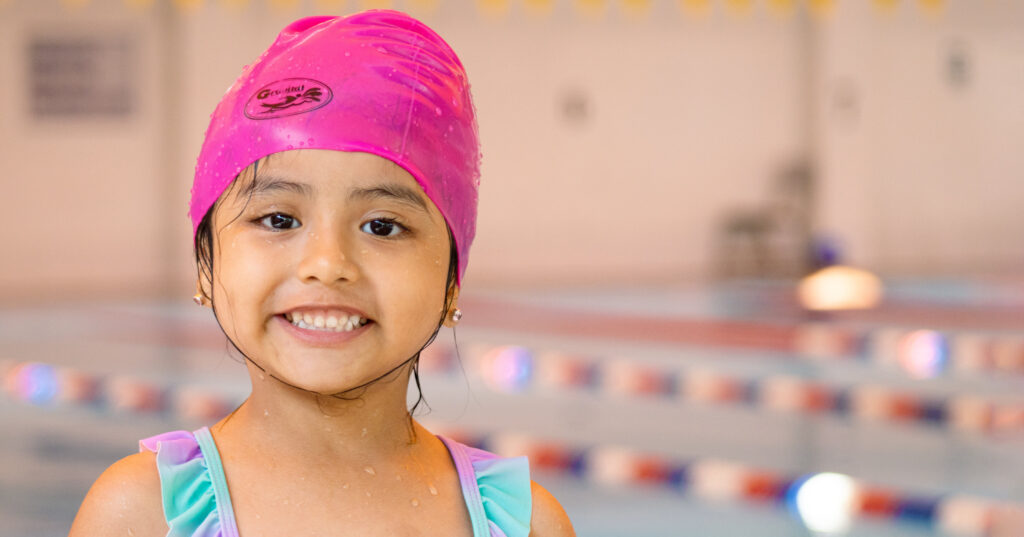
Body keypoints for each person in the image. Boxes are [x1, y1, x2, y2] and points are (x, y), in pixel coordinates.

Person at [69, 10, 574, 537]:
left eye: (382, 226)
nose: (328, 264)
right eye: (279, 220)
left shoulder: (523, 522)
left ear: (452, 281)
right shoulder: (143, 513)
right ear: (205, 264)